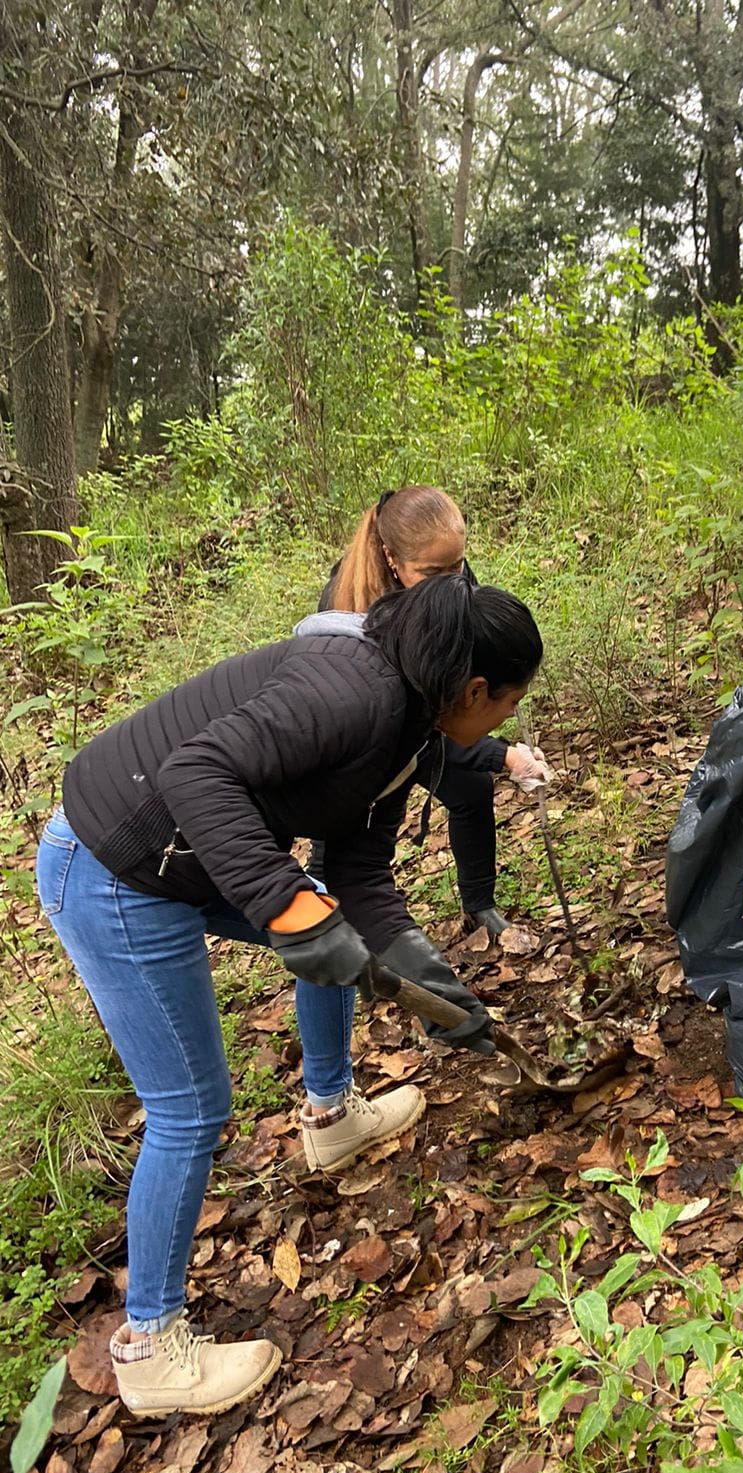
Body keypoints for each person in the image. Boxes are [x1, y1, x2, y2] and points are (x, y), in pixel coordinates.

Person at [38, 576, 543, 1417]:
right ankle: (151, 1347)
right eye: (508, 708)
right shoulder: (349, 690)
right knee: (191, 1109)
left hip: (185, 856)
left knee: (334, 920)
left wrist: (427, 978)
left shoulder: (410, 725)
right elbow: (195, 773)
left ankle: (332, 1114)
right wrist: (283, 901)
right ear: (477, 690)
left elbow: (358, 871)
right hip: (114, 866)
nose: (504, 728)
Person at [323, 486, 553, 937]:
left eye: (458, 564)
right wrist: (502, 756)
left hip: (420, 723)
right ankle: (346, 951)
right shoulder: (352, 609)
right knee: (338, 857)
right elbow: (418, 727)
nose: (453, 579)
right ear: (392, 558)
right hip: (357, 748)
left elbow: (462, 694)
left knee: (469, 790)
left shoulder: (451, 584)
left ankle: (479, 906)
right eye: (433, 571)